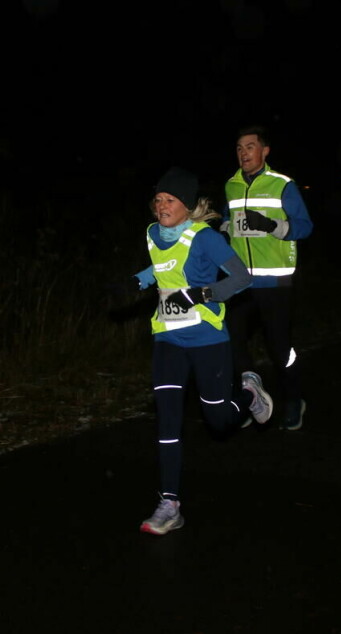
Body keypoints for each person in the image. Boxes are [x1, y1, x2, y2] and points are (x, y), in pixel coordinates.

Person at [131, 166, 273, 536]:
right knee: (167, 423)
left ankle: (248, 393)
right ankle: (169, 504)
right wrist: (137, 281)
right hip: (167, 339)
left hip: (208, 338)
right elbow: (162, 266)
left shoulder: (206, 238)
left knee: (218, 420)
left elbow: (242, 278)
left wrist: (203, 294)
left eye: (170, 200)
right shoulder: (151, 233)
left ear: (187, 205)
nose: (162, 206)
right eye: (158, 199)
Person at [221, 125, 314, 431]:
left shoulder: (282, 185)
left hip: (275, 284)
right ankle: (251, 401)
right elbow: (228, 223)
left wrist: (271, 224)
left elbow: (304, 226)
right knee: (232, 344)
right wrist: (220, 228)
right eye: (238, 148)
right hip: (239, 283)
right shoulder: (231, 186)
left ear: (265, 151)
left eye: (249, 146)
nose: (243, 153)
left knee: (280, 349)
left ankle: (292, 400)